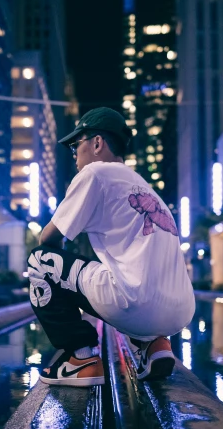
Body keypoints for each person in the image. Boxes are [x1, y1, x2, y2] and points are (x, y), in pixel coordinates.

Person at [27, 107, 195, 387]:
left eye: (75, 145)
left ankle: (80, 359)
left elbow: (49, 239)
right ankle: (155, 346)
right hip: (179, 312)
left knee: (40, 261)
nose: (73, 155)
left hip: (137, 305)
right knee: (122, 273)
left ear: (96, 143)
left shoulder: (95, 173)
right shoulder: (145, 187)